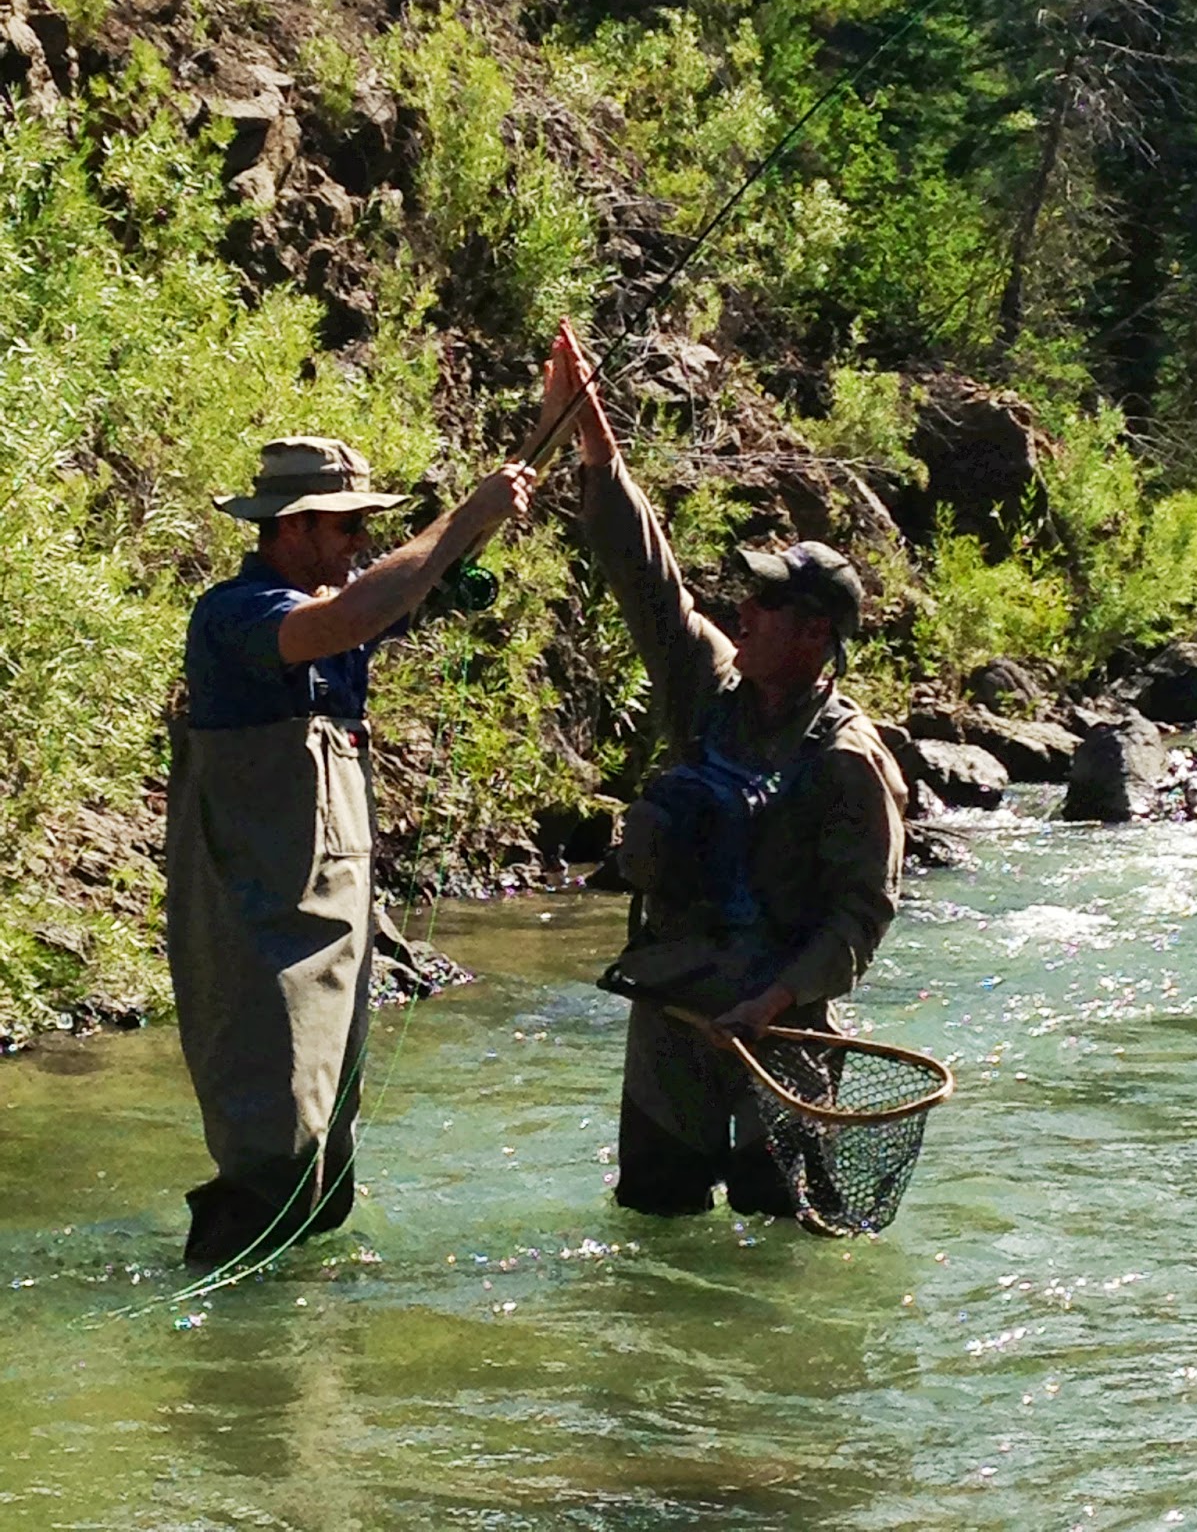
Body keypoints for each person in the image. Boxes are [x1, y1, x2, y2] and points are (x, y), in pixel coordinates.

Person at [166, 406, 558, 1270]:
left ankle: (294, 1328)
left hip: (329, 925)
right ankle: (227, 1337)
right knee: (272, 1138)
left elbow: (389, 592)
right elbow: (346, 619)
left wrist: (523, 460)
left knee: (323, 1153)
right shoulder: (235, 615)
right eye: (348, 527)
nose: (359, 544)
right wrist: (469, 515)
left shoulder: (332, 601)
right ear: (293, 527)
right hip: (252, 925)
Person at [553, 322, 908, 1219]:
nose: (741, 611)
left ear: (817, 634)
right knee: (655, 1226)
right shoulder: (708, 687)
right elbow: (649, 583)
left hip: (780, 1029)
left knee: (780, 1250)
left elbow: (862, 916)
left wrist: (774, 1000)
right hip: (672, 1006)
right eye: (746, 598)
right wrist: (598, 449)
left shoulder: (850, 759)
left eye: (767, 603)